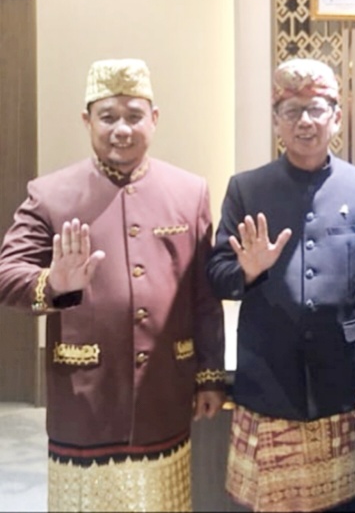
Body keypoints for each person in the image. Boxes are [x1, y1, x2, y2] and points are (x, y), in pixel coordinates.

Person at [0, 58, 225, 512]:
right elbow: (8, 275)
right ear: (87, 121)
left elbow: (203, 295)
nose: (122, 129)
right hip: (85, 400)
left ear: (154, 119)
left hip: (165, 392)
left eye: (134, 116)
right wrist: (53, 283)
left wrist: (210, 376)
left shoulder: (189, 192)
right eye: (108, 117)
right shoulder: (50, 194)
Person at [206, 58, 355, 512]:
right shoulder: (247, 189)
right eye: (291, 112)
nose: (304, 122)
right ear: (276, 122)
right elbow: (217, 275)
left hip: (343, 387)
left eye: (315, 109)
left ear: (336, 116)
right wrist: (248, 270)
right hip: (268, 385)